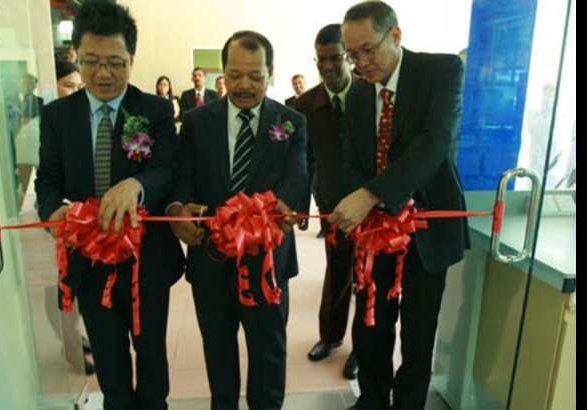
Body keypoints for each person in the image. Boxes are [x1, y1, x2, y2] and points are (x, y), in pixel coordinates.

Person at [35, 1, 184, 408]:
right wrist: (52, 213)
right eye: (92, 61)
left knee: (152, 358)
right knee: (110, 364)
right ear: (75, 57)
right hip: (90, 261)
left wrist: (135, 184)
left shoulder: (153, 110)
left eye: (116, 62)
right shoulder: (57, 116)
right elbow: (47, 178)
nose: (103, 73)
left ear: (132, 59)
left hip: (146, 260)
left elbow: (167, 168)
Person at [328, 2, 468, 409]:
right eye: (352, 54)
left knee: (419, 330)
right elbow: (351, 159)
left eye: (368, 50)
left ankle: (408, 403)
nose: (360, 62)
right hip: (375, 233)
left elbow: (435, 143)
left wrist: (371, 194)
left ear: (396, 35)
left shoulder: (440, 72)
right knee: (371, 323)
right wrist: (359, 204)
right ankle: (371, 399)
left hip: (427, 228)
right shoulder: (357, 95)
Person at [167, 30, 307, 410]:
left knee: (268, 351)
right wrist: (177, 209)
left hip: (267, 258)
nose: (244, 85)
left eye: (255, 75)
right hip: (211, 256)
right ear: (222, 73)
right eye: (235, 74)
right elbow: (183, 176)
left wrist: (284, 204)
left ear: (270, 72)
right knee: (218, 349)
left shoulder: (291, 121)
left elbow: (298, 174)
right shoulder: (197, 122)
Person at [293, 23, 361, 380]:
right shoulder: (306, 104)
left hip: (374, 209)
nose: (328, 66)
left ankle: (362, 348)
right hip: (333, 206)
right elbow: (303, 159)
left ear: (348, 58)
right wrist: (302, 204)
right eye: (321, 59)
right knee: (337, 272)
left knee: (369, 278)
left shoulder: (370, 94)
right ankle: (330, 337)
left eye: (335, 58)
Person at [15, 60, 84, 208]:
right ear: (49, 87)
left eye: (81, 87)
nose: (77, 92)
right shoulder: (32, 132)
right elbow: (28, 189)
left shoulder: (86, 125)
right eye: (68, 86)